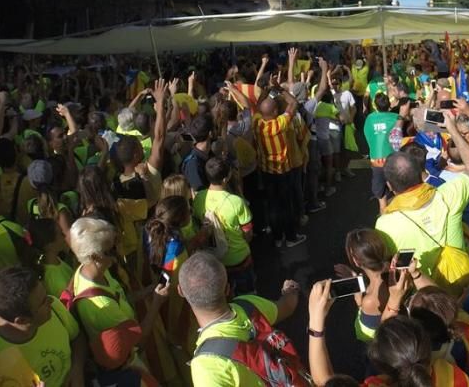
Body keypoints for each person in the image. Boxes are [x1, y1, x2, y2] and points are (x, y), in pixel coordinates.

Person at [375, 110, 469, 281]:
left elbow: (388, 267)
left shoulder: (384, 224)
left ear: (390, 186)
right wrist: (452, 129)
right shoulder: (447, 195)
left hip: (426, 295)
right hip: (463, 282)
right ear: (420, 174)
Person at [177, 250, 303, 387]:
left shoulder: (206, 367)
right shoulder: (247, 305)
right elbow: (287, 307)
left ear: (180, 291)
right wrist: (290, 290)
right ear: (227, 289)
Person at [68, 216, 168, 383]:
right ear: (94, 256)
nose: (117, 252)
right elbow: (139, 341)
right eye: (110, 250)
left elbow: (119, 297)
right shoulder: (101, 306)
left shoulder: (92, 270)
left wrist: (145, 292)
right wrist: (156, 303)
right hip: (126, 366)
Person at [0, 265, 86, 387]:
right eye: (43, 301)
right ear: (22, 321)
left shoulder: (55, 307)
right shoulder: (1, 351)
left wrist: (77, 370)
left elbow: (76, 337)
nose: (51, 301)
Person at [252, 79, 306, 247]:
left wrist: (264, 92)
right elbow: (294, 102)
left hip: (266, 171)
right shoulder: (280, 124)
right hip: (283, 171)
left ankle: (277, 238)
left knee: (273, 206)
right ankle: (290, 237)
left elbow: (258, 106)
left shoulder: (257, 123)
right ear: (275, 111)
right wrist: (277, 89)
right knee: (286, 205)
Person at [192, 156, 255, 293]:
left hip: (214, 258)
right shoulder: (236, 202)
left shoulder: (199, 198)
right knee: (248, 294)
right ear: (226, 179)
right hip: (238, 257)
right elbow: (248, 233)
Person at [364, 92, 399, 211]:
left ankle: (383, 218)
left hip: (376, 160)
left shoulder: (370, 118)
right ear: (389, 104)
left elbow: (367, 135)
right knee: (398, 190)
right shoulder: (396, 117)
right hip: (392, 160)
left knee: (381, 198)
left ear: (375, 106)